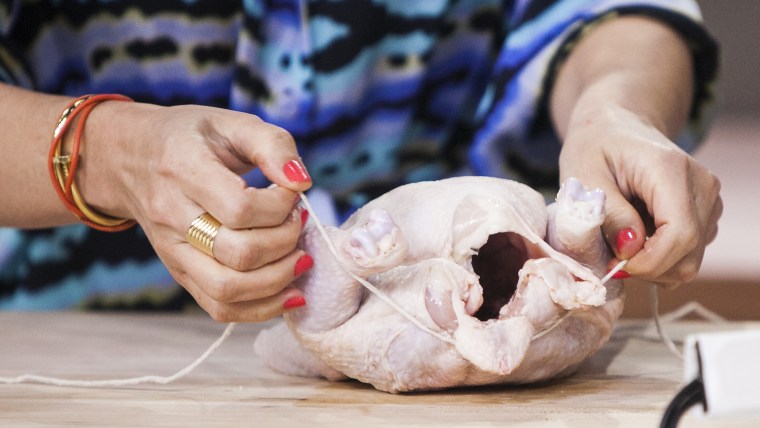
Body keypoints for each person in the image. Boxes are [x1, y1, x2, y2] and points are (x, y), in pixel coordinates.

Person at [0, 0, 721, 322]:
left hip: (476, 378)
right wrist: (103, 151)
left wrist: (615, 107)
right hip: (76, 356)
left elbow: (605, 13)